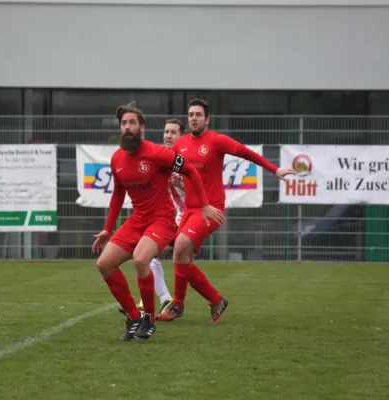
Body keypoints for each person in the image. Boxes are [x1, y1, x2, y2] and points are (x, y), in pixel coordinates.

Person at [93, 102, 224, 341]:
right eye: (124, 123)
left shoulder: (158, 153)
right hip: (136, 220)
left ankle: (149, 319)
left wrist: (205, 205)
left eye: (133, 122)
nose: (128, 127)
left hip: (162, 220)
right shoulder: (117, 159)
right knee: (104, 264)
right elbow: (118, 195)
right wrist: (106, 229)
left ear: (141, 127)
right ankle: (134, 317)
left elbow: (191, 172)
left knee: (142, 259)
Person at [158, 98, 297, 324]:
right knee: (183, 259)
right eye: (191, 115)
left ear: (207, 119)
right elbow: (164, 165)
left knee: (180, 247)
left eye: (198, 115)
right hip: (189, 211)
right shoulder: (180, 144)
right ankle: (215, 300)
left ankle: (178, 305)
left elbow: (246, 153)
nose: (194, 118)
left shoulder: (216, 141)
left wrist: (274, 169)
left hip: (210, 211)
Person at [123, 119, 186, 319]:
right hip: (169, 218)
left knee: (154, 255)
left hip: (187, 217)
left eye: (173, 132)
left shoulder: (183, 160)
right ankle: (164, 300)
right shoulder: (161, 157)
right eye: (166, 131)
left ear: (181, 137)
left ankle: (167, 301)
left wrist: (182, 185)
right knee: (151, 255)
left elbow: (200, 190)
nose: (168, 135)